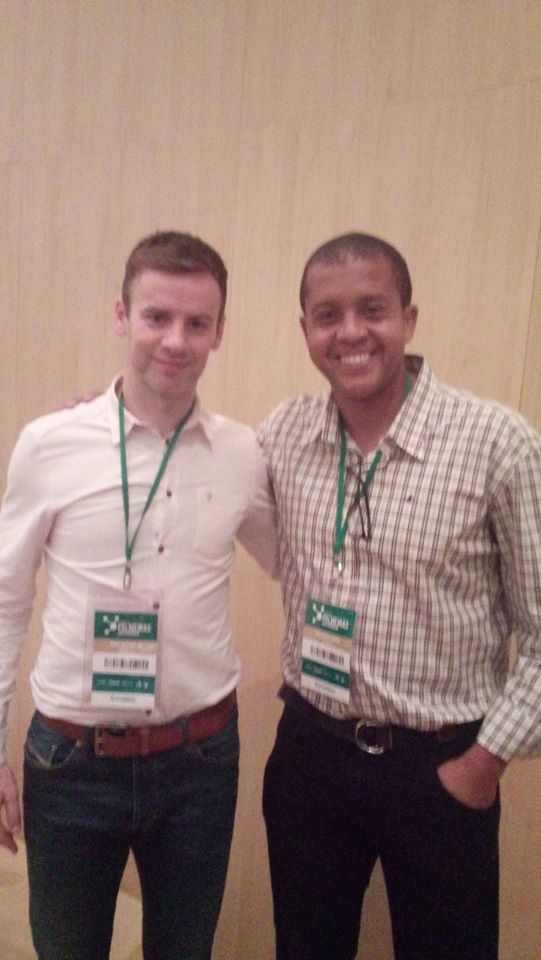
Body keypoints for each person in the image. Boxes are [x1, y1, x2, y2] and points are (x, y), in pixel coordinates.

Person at [259, 232, 541, 960]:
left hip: (442, 769)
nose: (350, 332)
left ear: (408, 319)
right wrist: (109, 422)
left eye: (372, 309)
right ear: (305, 329)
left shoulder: (496, 443)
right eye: (328, 315)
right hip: (310, 757)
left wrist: (483, 764)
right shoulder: (283, 433)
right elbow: (187, 464)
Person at [0, 231, 277, 960]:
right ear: (121, 315)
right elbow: (6, 600)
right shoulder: (49, 444)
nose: (176, 340)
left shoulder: (244, 454)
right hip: (71, 763)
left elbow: (293, 559)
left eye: (196, 322)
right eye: (157, 316)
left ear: (220, 331)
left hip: (199, 763)